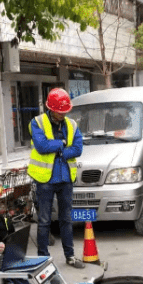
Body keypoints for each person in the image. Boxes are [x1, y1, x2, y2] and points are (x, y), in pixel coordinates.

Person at [28, 88, 84, 268]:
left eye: (65, 111)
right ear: (51, 108)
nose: (63, 114)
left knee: (66, 219)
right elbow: (42, 146)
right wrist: (62, 143)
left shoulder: (72, 125)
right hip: (45, 179)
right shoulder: (37, 122)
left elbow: (78, 149)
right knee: (44, 220)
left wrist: (59, 149)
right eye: (60, 111)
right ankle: (43, 258)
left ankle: (70, 256)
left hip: (66, 178)